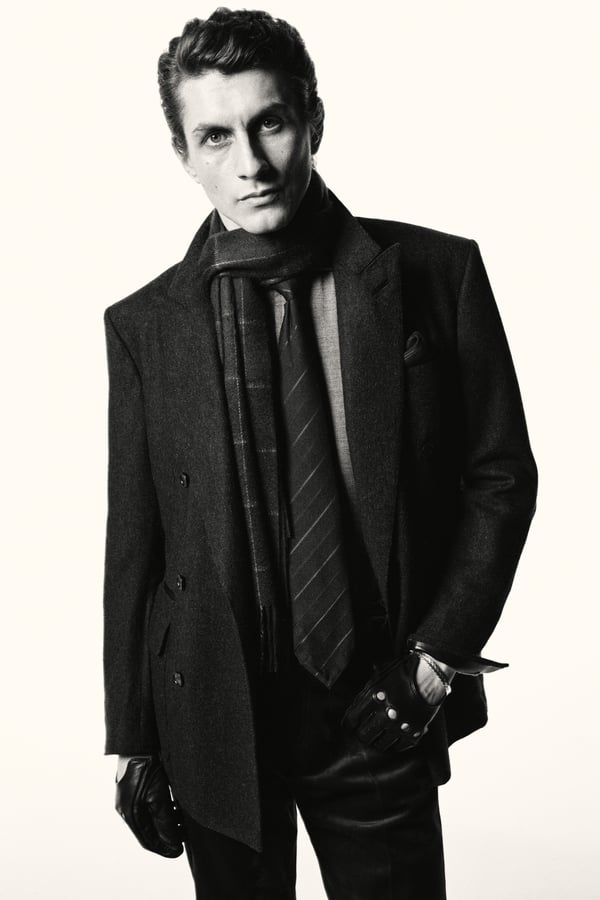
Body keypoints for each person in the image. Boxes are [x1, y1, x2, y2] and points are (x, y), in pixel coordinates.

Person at [102, 8, 537, 899]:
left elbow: (501, 476)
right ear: (184, 154)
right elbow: (136, 544)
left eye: (269, 123)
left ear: (313, 120)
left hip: (378, 700)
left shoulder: (434, 273)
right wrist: (132, 738)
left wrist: (433, 662)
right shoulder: (145, 325)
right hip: (213, 709)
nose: (250, 163)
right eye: (215, 137)